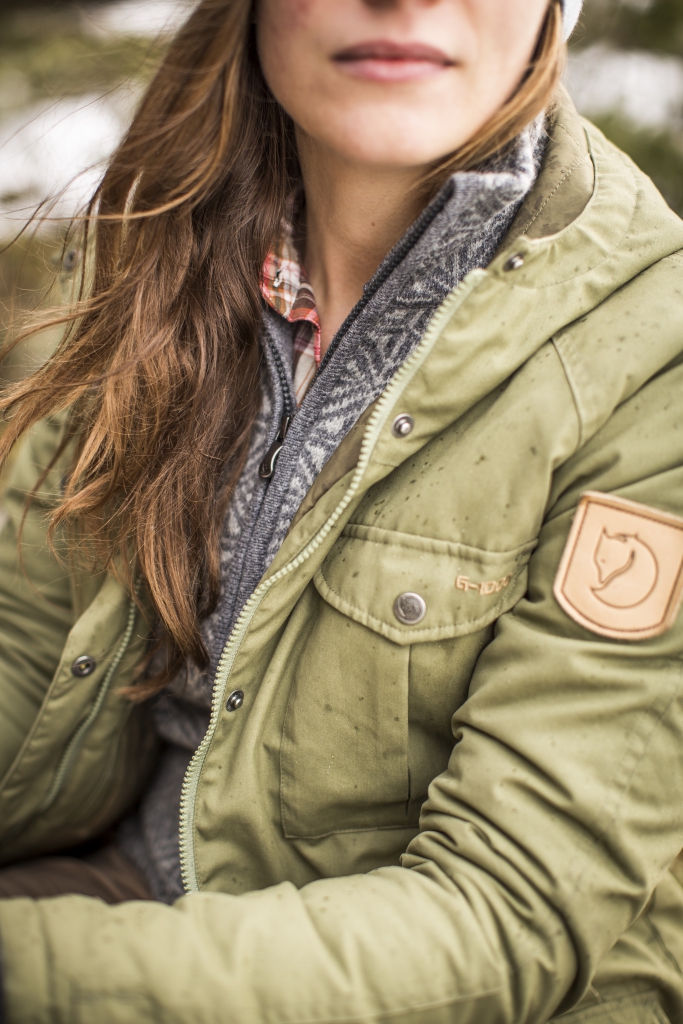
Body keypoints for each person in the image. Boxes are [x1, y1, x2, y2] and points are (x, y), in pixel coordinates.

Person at [1, 0, 683, 1020]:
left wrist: (37, 969)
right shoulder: (157, 241)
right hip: (129, 882)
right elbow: (27, 648)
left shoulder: (654, 348)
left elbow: (507, 914)